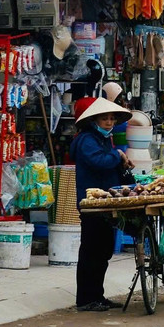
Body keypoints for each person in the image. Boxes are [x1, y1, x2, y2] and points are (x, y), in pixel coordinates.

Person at [70, 97, 134, 312]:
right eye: (104, 119)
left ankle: (98, 295)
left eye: (112, 119)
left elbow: (109, 162)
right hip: (92, 204)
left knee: (104, 252)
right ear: (94, 120)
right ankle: (86, 299)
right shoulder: (88, 140)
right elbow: (99, 162)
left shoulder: (104, 139)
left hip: (106, 202)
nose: (109, 122)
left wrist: (120, 159)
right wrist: (117, 155)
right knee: (91, 252)